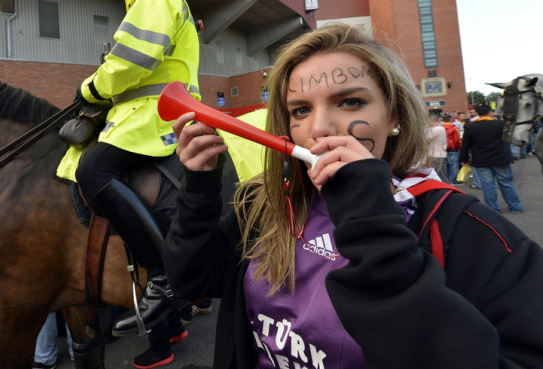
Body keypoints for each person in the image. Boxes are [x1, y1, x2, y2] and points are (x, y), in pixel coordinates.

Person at [164, 23, 543, 368]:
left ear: (393, 115)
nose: (320, 128)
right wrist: (199, 187)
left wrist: (371, 220)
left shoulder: (469, 230)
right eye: (300, 110)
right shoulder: (263, 203)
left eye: (350, 102)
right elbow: (192, 284)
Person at [59, 0, 200, 336]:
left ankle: (161, 275)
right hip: (145, 112)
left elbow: (129, 63)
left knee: (93, 168)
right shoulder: (169, 3)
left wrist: (90, 88)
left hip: (154, 113)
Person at [460, 104, 524, 214]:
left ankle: (493, 209)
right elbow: (509, 139)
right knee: (506, 183)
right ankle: (515, 207)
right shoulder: (501, 124)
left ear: (477, 113)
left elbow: (465, 145)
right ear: (490, 113)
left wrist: (464, 159)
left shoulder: (470, 127)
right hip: (501, 158)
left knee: (487, 185)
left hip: (481, 160)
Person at [425, 110, 448, 182]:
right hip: (441, 154)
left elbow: (425, 140)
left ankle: (445, 189)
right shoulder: (441, 128)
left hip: (435, 155)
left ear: (431, 120)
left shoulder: (435, 129)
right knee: (443, 174)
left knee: (438, 176)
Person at [441, 113, 461, 183]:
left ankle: (445, 180)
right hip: (453, 148)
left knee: (445, 164)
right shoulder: (454, 128)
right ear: (451, 120)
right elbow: (457, 139)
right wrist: (459, 147)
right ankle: (452, 180)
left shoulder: (439, 127)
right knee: (453, 164)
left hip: (442, 148)